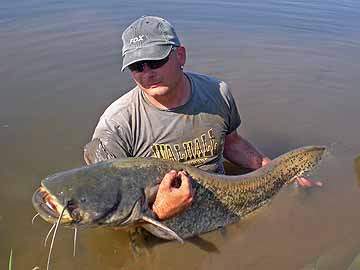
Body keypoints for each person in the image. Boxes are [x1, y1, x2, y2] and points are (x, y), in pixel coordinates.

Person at [84, 16, 321, 221]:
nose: (147, 73)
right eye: (137, 66)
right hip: (159, 221)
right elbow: (106, 206)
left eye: (156, 61)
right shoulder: (116, 126)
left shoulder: (217, 93)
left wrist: (278, 173)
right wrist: (160, 212)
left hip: (224, 202)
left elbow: (232, 143)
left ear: (180, 55)